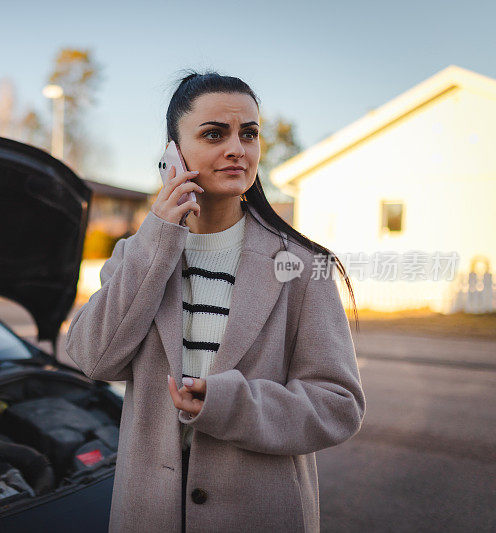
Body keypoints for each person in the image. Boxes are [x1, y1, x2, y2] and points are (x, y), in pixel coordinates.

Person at [65, 72, 365, 533]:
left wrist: (228, 403)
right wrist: (158, 239)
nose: (237, 149)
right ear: (173, 153)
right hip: (149, 513)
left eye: (249, 134)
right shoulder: (137, 255)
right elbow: (93, 358)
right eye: (213, 134)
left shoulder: (301, 265)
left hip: (260, 513)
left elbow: (337, 405)